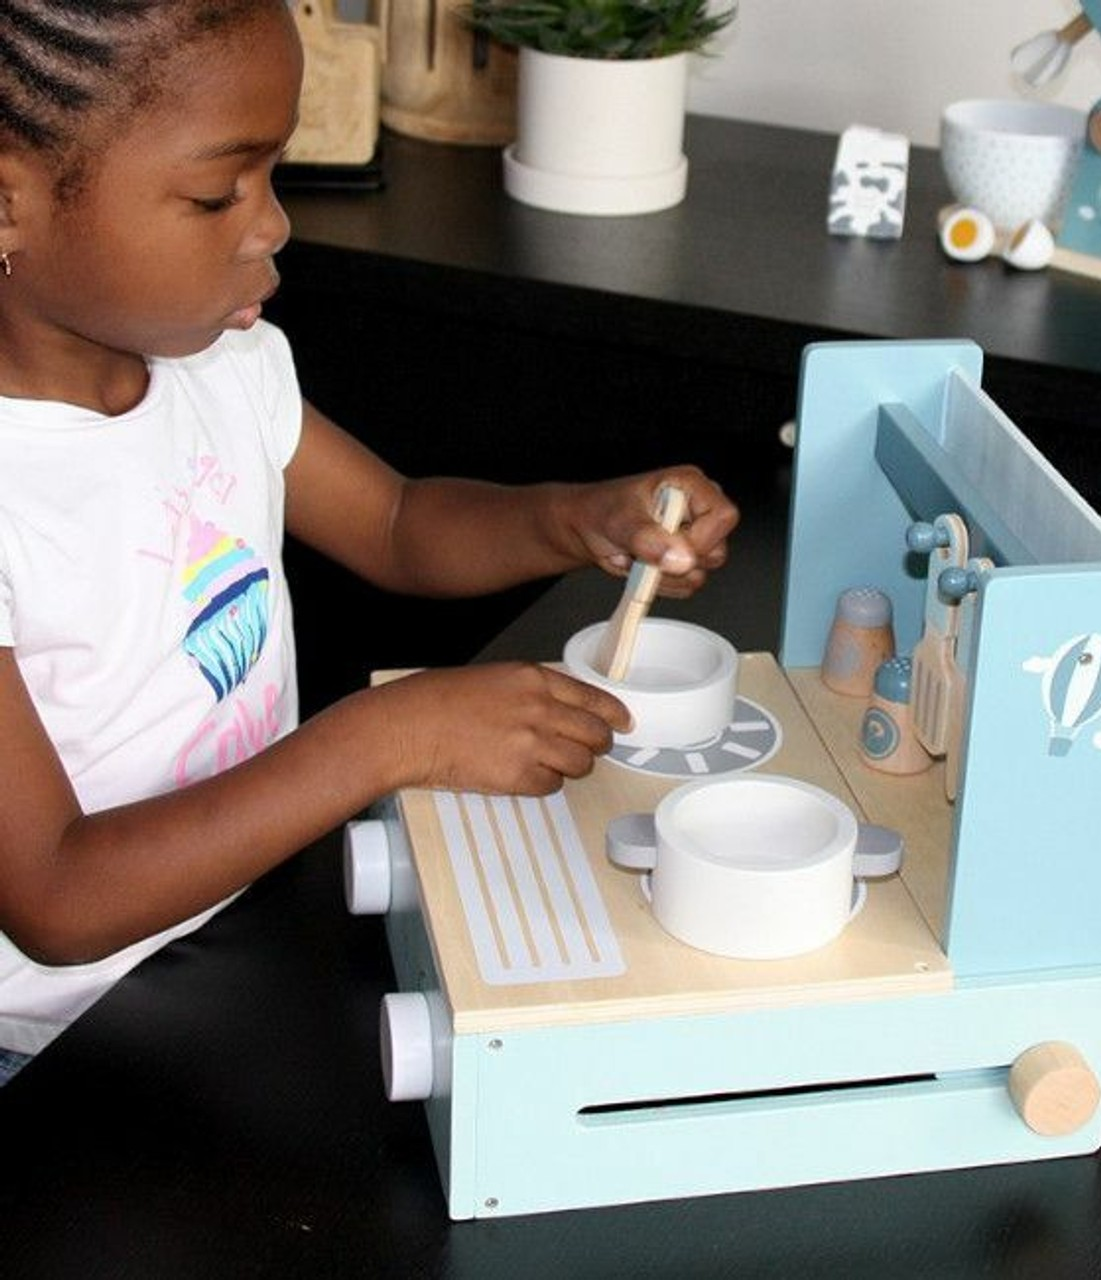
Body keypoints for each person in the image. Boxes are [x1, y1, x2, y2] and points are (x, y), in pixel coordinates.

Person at [0, 0, 739, 1085]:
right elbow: (60, 899)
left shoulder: (219, 365)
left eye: (273, 174)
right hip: (58, 1041)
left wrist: (575, 516)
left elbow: (396, 524)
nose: (271, 226)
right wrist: (388, 736)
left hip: (243, 930)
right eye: (217, 191)